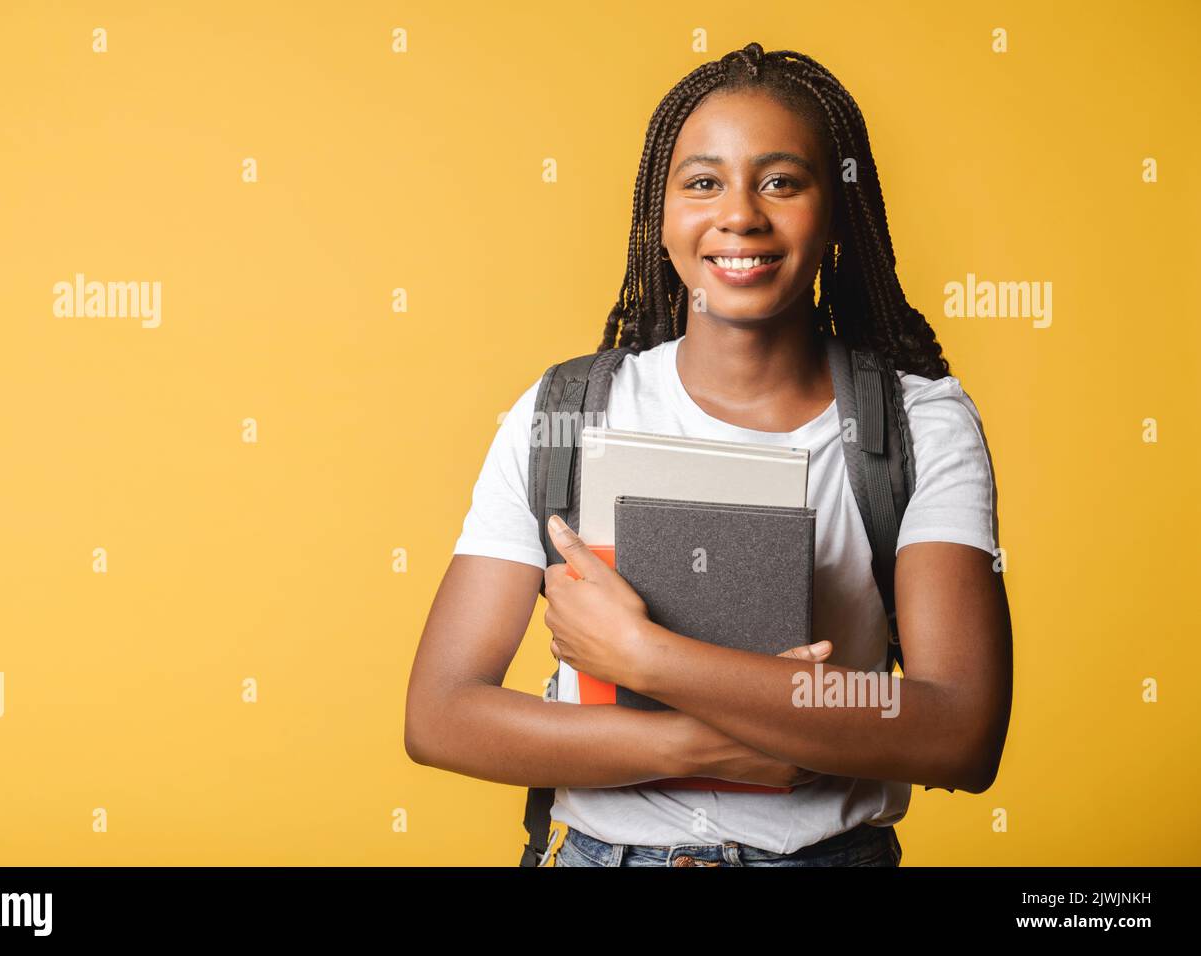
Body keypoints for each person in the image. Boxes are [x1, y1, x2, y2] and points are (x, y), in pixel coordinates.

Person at [405, 43, 1012, 867]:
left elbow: (961, 733)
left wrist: (648, 658)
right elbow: (440, 715)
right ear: (659, 220)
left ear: (833, 213)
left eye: (780, 182)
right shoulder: (563, 415)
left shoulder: (917, 427)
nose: (740, 215)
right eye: (703, 182)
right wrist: (697, 747)